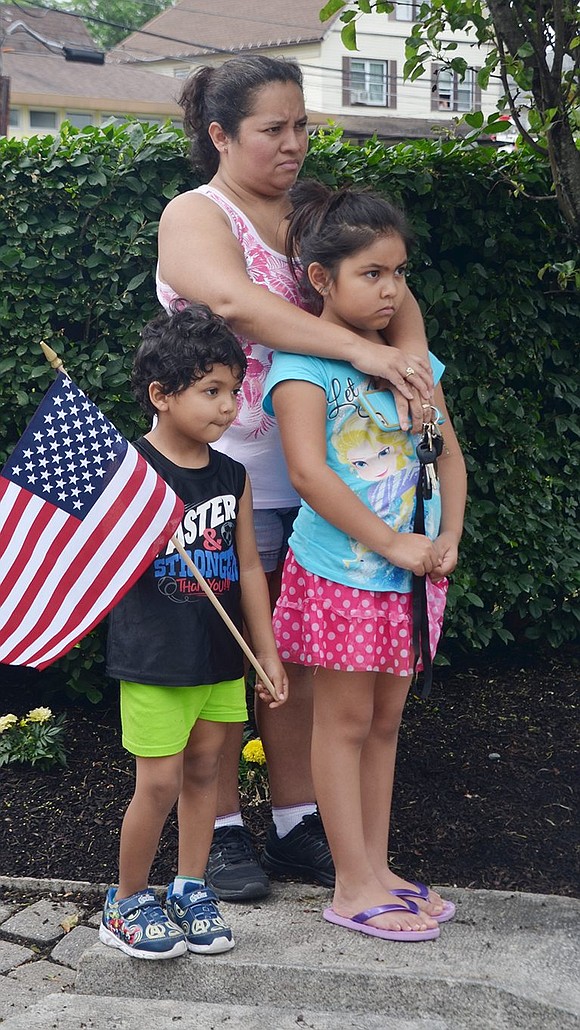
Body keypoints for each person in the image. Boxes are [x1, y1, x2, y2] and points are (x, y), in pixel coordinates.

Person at [156, 54, 436, 903]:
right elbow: (236, 307)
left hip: (320, 479)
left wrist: (414, 375)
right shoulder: (194, 215)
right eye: (272, 130)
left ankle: (292, 822)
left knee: (302, 662)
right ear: (219, 135)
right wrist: (360, 350)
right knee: (216, 655)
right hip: (216, 476)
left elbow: (394, 292)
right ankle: (222, 831)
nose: (294, 144)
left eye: (301, 125)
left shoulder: (316, 216)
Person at [263, 180, 467, 939]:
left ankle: (377, 868)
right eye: (372, 274)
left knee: (384, 725)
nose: (390, 290)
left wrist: (448, 538)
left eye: (400, 273)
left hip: (413, 578)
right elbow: (310, 476)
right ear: (322, 278)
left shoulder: (412, 365)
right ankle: (350, 885)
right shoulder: (302, 369)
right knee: (343, 725)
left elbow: (449, 459)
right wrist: (390, 544)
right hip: (347, 577)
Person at [100, 304, 288, 959]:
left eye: (234, 392)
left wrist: (264, 651)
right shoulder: (128, 474)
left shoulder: (232, 477)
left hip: (220, 655)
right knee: (157, 783)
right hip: (154, 656)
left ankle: (188, 886)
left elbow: (246, 569)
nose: (228, 406)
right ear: (161, 394)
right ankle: (126, 900)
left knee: (209, 771)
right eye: (211, 391)